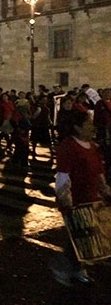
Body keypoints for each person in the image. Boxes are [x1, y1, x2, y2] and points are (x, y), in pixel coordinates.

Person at [52, 111, 111, 285]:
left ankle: (78, 269)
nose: (92, 126)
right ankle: (61, 269)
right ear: (77, 127)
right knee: (76, 238)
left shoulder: (91, 146)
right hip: (76, 200)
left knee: (88, 237)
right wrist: (66, 201)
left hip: (91, 198)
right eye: (88, 123)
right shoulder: (68, 147)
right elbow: (63, 177)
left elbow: (98, 170)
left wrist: (104, 190)